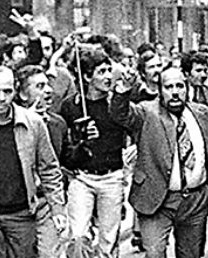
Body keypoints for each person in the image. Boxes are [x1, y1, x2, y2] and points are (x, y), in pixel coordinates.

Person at [110, 67, 208, 258]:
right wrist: (123, 90)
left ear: (187, 88)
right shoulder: (146, 112)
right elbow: (120, 114)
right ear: (160, 90)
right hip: (157, 199)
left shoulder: (201, 113)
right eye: (169, 87)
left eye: (179, 86)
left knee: (191, 254)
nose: (175, 92)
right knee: (155, 253)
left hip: (195, 201)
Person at [0, 65, 66, 258]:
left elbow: (49, 169)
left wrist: (57, 209)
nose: (2, 98)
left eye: (7, 91)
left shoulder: (33, 123)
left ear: (15, 91)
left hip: (22, 213)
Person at [58, 46, 127, 256]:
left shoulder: (116, 104)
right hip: (82, 177)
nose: (108, 76)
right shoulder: (71, 106)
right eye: (101, 71)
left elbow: (134, 128)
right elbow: (64, 148)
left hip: (112, 177)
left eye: (109, 70)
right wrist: (81, 141)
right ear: (87, 77)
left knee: (108, 239)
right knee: (78, 235)